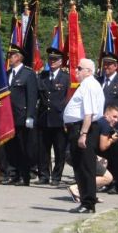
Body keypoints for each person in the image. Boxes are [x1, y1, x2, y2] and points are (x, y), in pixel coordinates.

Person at [64, 58, 105, 214]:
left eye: (79, 68)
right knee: (81, 167)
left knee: (85, 167)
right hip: (80, 127)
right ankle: (86, 201)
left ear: (88, 71)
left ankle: (88, 203)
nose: (76, 71)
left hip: (83, 128)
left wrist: (83, 134)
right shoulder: (88, 84)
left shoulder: (89, 85)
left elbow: (89, 113)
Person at [67, 106, 118, 203]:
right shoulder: (105, 124)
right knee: (108, 178)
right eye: (114, 116)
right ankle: (76, 188)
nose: (116, 120)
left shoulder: (99, 121)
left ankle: (91, 193)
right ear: (106, 114)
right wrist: (112, 140)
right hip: (78, 153)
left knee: (104, 162)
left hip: (72, 151)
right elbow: (103, 146)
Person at [97, 52, 118, 194]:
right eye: (104, 64)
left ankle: (117, 183)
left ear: (116, 66)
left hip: (116, 126)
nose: (106, 67)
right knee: (103, 155)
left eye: (109, 64)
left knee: (116, 156)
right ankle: (106, 180)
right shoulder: (98, 81)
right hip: (101, 125)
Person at [4, 44, 38, 185]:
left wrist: (30, 115)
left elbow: (32, 96)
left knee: (23, 147)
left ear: (18, 57)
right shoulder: (6, 74)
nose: (9, 58)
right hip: (9, 117)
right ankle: (14, 174)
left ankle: (25, 176)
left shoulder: (28, 74)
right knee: (11, 147)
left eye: (11, 56)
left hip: (22, 116)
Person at [37, 47, 72, 185]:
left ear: (61, 62)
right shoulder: (42, 76)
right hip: (44, 117)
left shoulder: (66, 78)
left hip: (59, 119)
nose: (52, 62)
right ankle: (44, 176)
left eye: (55, 59)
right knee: (43, 149)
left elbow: (68, 98)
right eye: (50, 59)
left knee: (59, 150)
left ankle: (56, 177)